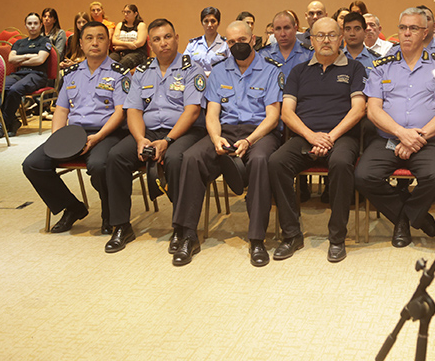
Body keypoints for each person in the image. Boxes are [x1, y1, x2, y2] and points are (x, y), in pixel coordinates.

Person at [172, 21, 283, 267]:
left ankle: (257, 239)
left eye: (242, 40)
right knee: (192, 157)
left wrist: (249, 140)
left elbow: (273, 116)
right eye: (231, 42)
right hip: (225, 131)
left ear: (253, 39)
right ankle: (188, 235)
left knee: (260, 161)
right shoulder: (219, 71)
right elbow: (212, 113)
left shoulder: (270, 70)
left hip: (259, 133)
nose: (237, 45)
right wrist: (215, 138)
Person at [104, 18, 207, 254]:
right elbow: (133, 110)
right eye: (157, 39)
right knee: (116, 157)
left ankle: (181, 228)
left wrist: (168, 141)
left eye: (168, 37)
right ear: (150, 44)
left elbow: (192, 111)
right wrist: (140, 139)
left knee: (175, 159)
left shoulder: (192, 69)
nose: (163, 43)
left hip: (183, 131)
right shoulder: (141, 72)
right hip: (149, 131)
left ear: (176, 38)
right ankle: (121, 225)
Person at [269, 17, 367, 263]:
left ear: (340, 39)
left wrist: (329, 137)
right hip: (306, 135)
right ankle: (292, 235)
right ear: (311, 40)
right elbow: (287, 113)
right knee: (276, 162)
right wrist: (311, 136)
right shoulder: (298, 71)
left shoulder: (355, 68)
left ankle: (337, 238)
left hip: (341, 136)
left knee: (341, 163)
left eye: (332, 35)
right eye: (320, 35)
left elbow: (358, 110)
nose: (326, 40)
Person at [355, 7, 435, 247]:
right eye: (403, 28)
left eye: (413, 28)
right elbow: (373, 109)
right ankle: (413, 217)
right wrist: (401, 133)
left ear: (425, 32)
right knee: (364, 176)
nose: (407, 33)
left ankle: (403, 219)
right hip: (388, 139)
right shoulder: (382, 66)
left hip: (427, 140)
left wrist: (416, 138)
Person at [22, 21, 130, 233]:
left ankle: (109, 212)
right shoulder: (71, 73)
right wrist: (57, 138)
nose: (95, 43)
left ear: (108, 43)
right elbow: (61, 110)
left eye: (100, 38)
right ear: (80, 44)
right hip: (74, 134)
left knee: (99, 165)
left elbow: (121, 112)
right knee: (33, 164)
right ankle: (72, 207)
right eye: (89, 38)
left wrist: (98, 137)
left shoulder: (119, 73)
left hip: (108, 132)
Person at [0, 12, 52, 139]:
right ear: (25, 25)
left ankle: (3, 125)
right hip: (19, 74)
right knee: (0, 87)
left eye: (35, 23)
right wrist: (29, 56)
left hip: (37, 75)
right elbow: (11, 59)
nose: (32, 26)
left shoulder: (44, 41)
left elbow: (40, 60)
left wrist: (20, 59)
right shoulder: (19, 43)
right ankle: (13, 121)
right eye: (29, 23)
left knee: (15, 89)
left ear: (40, 25)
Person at [184, 7, 229, 75]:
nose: (209, 25)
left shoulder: (226, 45)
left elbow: (231, 67)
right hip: (196, 79)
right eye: (206, 21)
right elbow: (185, 67)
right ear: (202, 23)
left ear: (219, 23)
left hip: (218, 79)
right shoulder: (193, 45)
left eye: (213, 21)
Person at [109, 4, 148, 70]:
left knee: (122, 64)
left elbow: (140, 43)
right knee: (109, 62)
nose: (125, 14)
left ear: (135, 14)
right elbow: (114, 41)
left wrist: (121, 47)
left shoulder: (141, 25)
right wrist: (127, 44)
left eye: (128, 12)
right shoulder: (120, 25)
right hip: (120, 52)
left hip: (137, 52)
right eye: (124, 12)